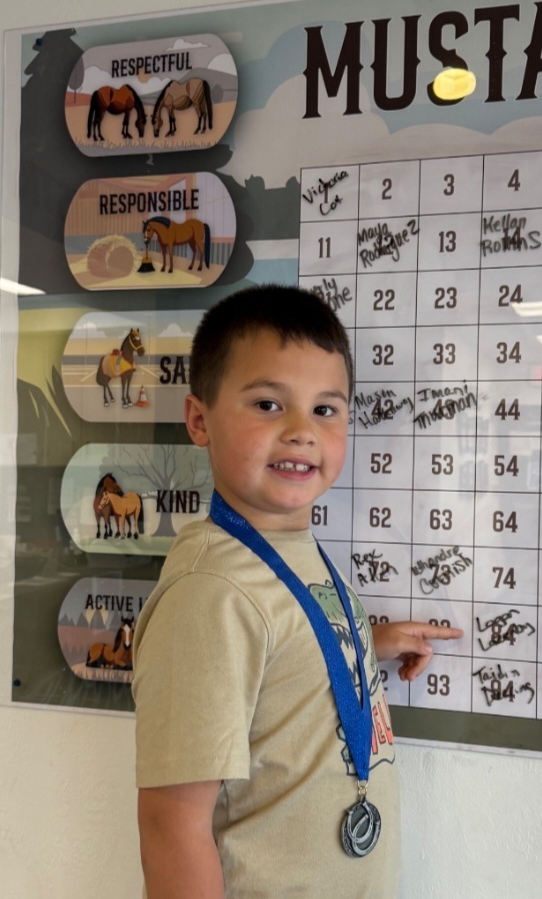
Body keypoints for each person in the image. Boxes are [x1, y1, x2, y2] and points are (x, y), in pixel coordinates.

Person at [133, 283, 462, 899]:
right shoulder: (212, 594)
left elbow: (284, 640)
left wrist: (368, 639)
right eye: (266, 404)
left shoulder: (290, 545)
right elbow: (171, 825)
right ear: (199, 420)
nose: (300, 432)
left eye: (325, 409)